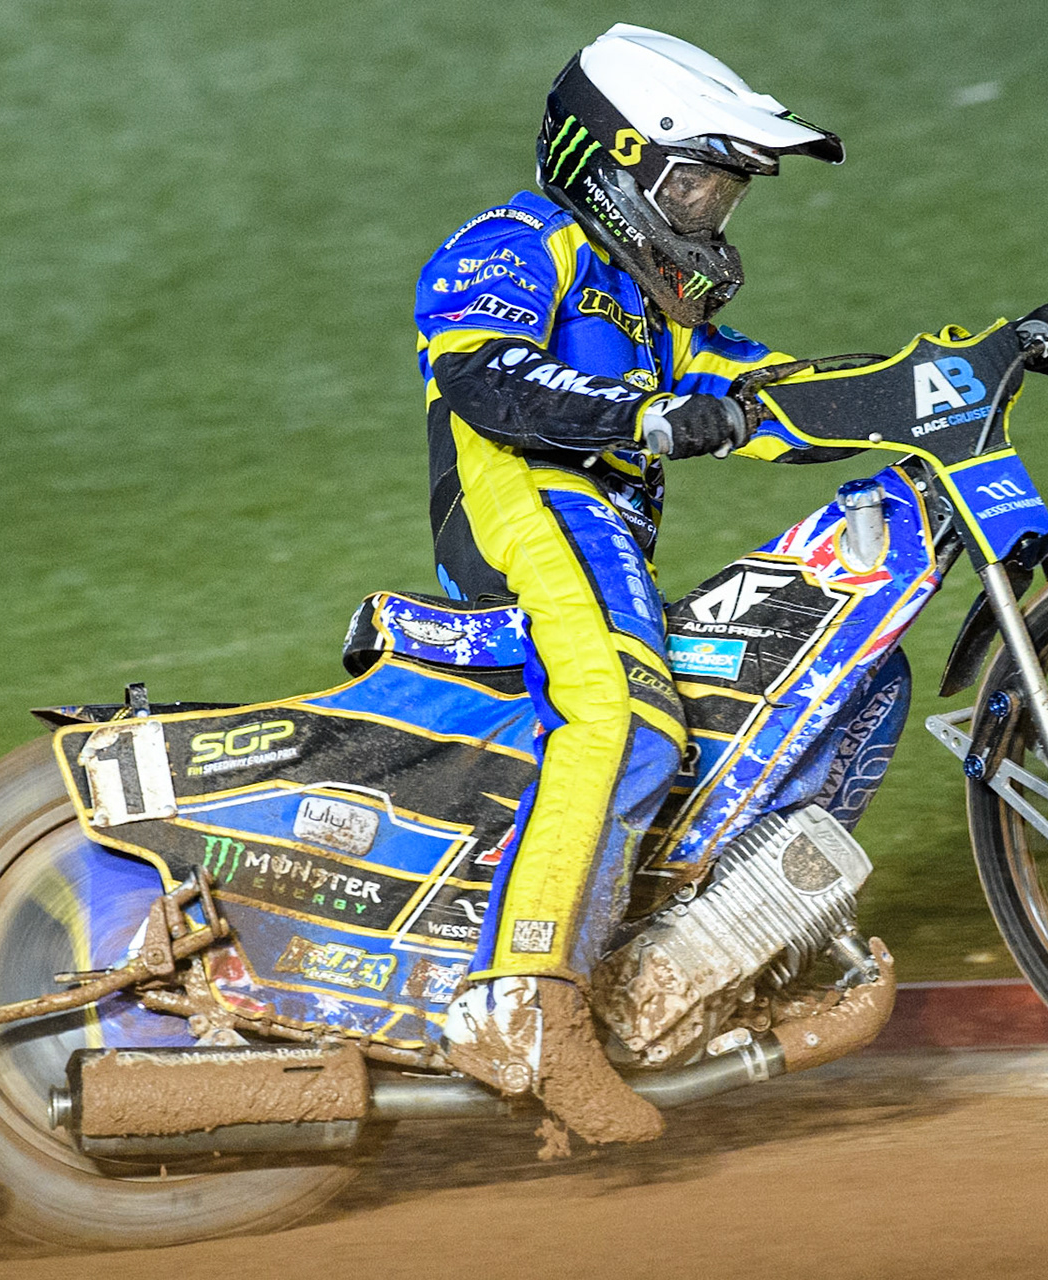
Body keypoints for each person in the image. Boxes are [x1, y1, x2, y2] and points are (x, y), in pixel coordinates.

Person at [413, 23, 850, 1146]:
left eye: (723, 195)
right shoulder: (516, 239)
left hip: (601, 536)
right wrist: (650, 415)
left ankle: (692, 966)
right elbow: (488, 380)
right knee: (624, 720)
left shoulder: (659, 321)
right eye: (695, 183)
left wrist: (968, 364)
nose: (710, 216)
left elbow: (789, 395)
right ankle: (519, 1006)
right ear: (613, 160)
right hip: (525, 506)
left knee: (834, 683)